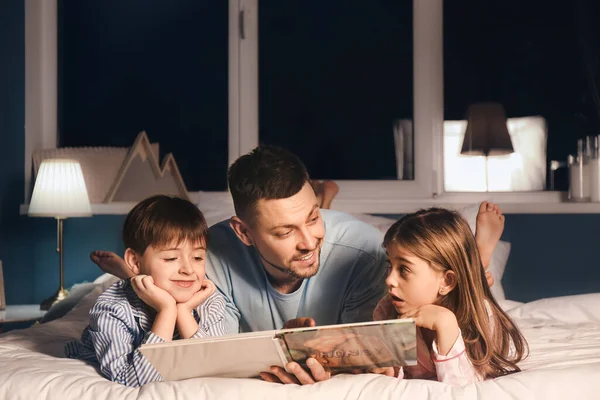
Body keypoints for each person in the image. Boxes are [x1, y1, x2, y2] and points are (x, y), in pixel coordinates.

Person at [89, 146, 500, 385]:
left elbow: (376, 359)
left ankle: (476, 259)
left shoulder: (368, 255)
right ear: (244, 232)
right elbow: (207, 348)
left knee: (472, 292)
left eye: (313, 217)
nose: (307, 242)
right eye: (284, 231)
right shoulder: (205, 257)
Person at [65, 195, 227, 387]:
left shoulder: (209, 298)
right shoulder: (111, 308)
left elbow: (216, 367)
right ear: (135, 261)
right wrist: (167, 310)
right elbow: (132, 378)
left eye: (198, 258)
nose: (189, 270)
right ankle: (128, 275)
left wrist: (183, 312)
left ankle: (129, 273)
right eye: (171, 258)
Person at [370, 205, 528, 386]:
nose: (389, 279)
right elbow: (394, 377)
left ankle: (478, 263)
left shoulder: (481, 318)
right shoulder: (386, 310)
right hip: (452, 284)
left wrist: (446, 324)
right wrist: (388, 370)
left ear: (446, 281)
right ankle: (476, 268)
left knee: (475, 294)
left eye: (404, 269)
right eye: (390, 265)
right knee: (470, 282)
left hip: (462, 300)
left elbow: (462, 388)